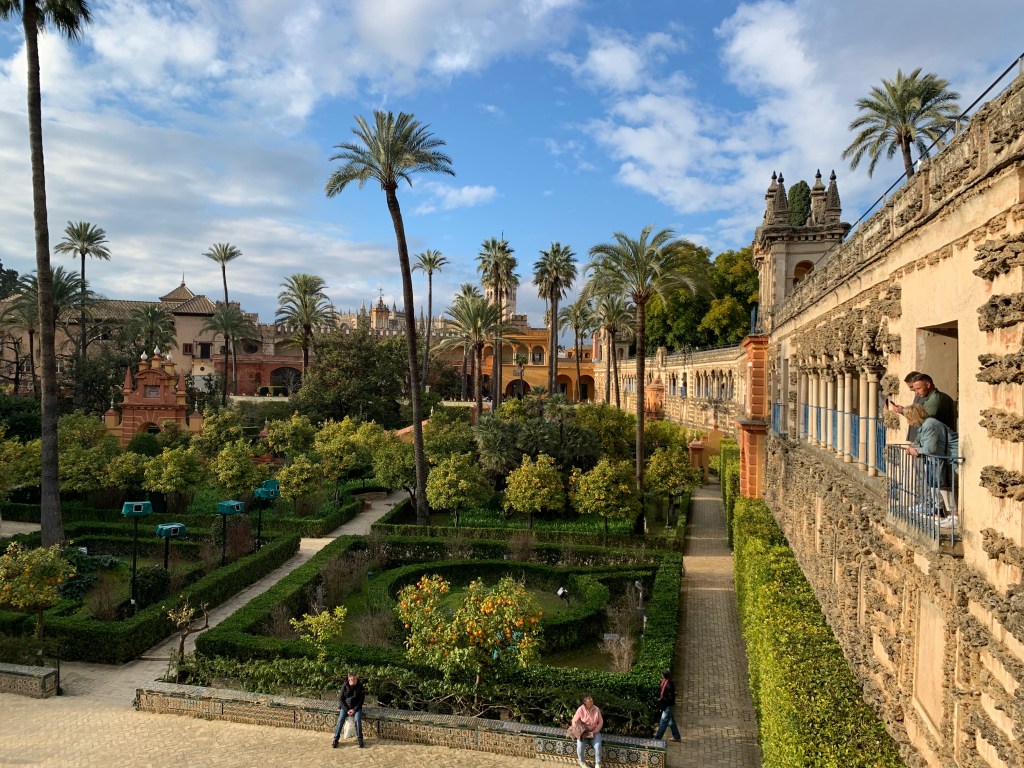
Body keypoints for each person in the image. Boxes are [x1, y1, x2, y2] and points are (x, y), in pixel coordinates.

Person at [902, 404, 959, 526]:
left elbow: (929, 448)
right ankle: (945, 514)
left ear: (914, 417)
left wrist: (915, 451)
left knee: (944, 487)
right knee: (937, 486)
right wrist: (915, 448)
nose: (908, 422)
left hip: (948, 458)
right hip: (940, 458)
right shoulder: (927, 425)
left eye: (908, 418)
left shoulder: (930, 425)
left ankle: (954, 516)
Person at [890, 373, 956, 440]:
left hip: (938, 442)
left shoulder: (935, 400)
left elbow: (922, 421)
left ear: (927, 385)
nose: (916, 392)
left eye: (918, 388)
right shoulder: (932, 397)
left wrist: (904, 411)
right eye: (915, 389)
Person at [332, 672, 365, 749]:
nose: (353, 681)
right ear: (349, 679)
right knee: (341, 719)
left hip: (356, 708)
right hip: (345, 707)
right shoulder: (345, 685)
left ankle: (360, 738)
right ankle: (336, 739)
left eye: (355, 679)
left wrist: (354, 710)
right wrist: (347, 710)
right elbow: (340, 699)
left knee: (357, 720)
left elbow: (361, 700)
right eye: (352, 680)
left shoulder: (360, 686)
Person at [571, 694, 603, 768]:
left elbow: (600, 722)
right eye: (589, 700)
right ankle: (581, 762)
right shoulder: (580, 709)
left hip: (594, 732)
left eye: (591, 699)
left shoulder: (596, 709)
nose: (591, 701)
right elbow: (574, 721)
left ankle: (598, 763)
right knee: (580, 746)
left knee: (598, 746)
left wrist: (595, 732)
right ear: (585, 702)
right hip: (583, 733)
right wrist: (579, 731)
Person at [654, 668, 681, 742]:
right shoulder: (664, 681)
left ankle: (657, 738)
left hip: (668, 706)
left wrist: (663, 700)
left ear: (664, 675)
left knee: (663, 722)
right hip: (667, 705)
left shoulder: (669, 685)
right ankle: (677, 737)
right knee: (671, 721)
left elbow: (671, 698)